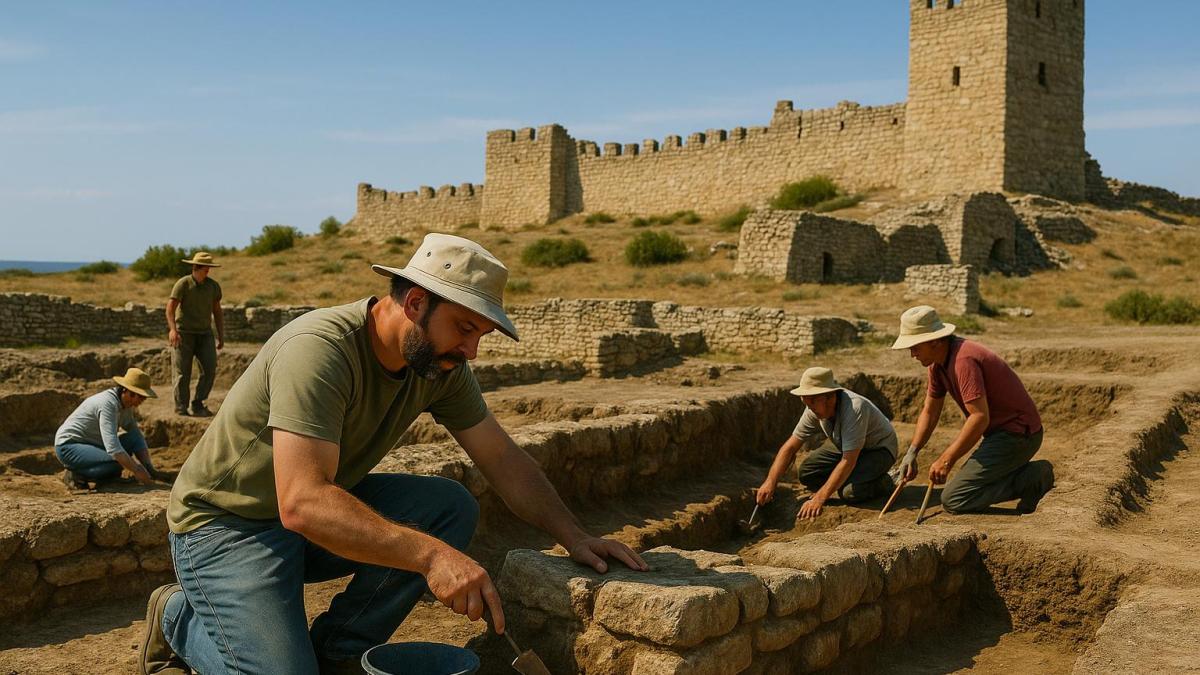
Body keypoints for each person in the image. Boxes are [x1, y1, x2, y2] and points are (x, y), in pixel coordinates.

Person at [139, 234, 648, 675]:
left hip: (303, 522)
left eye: (481, 335)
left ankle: (339, 651)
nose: (472, 351)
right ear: (414, 304)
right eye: (465, 329)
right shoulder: (320, 350)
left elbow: (503, 459)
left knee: (450, 507)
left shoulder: (438, 365)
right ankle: (177, 617)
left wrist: (575, 535)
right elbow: (303, 503)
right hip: (226, 526)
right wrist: (430, 556)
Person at [891, 305, 1054, 514]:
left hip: (1018, 434)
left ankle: (1034, 478)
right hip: (999, 434)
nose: (912, 354)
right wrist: (912, 452)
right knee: (962, 491)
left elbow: (979, 418)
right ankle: (1022, 476)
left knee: (954, 499)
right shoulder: (937, 365)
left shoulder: (963, 360)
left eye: (915, 346)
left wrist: (946, 460)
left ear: (935, 341)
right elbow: (930, 411)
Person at [757, 366, 898, 520]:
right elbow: (790, 447)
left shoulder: (854, 409)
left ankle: (885, 481)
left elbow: (848, 460)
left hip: (879, 449)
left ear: (830, 396)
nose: (808, 406)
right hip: (845, 444)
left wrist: (820, 498)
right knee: (807, 473)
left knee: (849, 493)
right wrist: (770, 482)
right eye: (805, 400)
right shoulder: (813, 408)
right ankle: (849, 478)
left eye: (812, 400)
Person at [54, 367, 164, 489]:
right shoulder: (108, 405)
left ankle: (105, 475)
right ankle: (78, 474)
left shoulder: (125, 404)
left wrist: (148, 468)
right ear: (126, 391)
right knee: (116, 464)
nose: (142, 401)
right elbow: (114, 449)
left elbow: (135, 435)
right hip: (69, 446)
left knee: (132, 438)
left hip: (92, 443)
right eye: (140, 397)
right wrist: (137, 470)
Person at [166, 251, 224, 417]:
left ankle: (198, 403)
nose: (208, 271)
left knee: (209, 368)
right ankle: (181, 406)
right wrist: (173, 330)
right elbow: (170, 308)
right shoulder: (183, 284)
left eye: (209, 268)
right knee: (182, 372)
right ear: (197, 267)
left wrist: (221, 334)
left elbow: (217, 311)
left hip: (205, 333)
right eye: (206, 268)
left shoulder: (213, 286)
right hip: (184, 333)